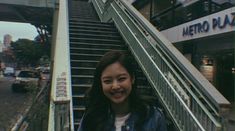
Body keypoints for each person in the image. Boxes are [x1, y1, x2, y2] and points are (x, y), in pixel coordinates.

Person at [78, 50, 167, 131]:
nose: (115, 86)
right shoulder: (91, 118)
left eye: (121, 79)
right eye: (107, 81)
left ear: (132, 79)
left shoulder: (153, 117)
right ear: (101, 84)